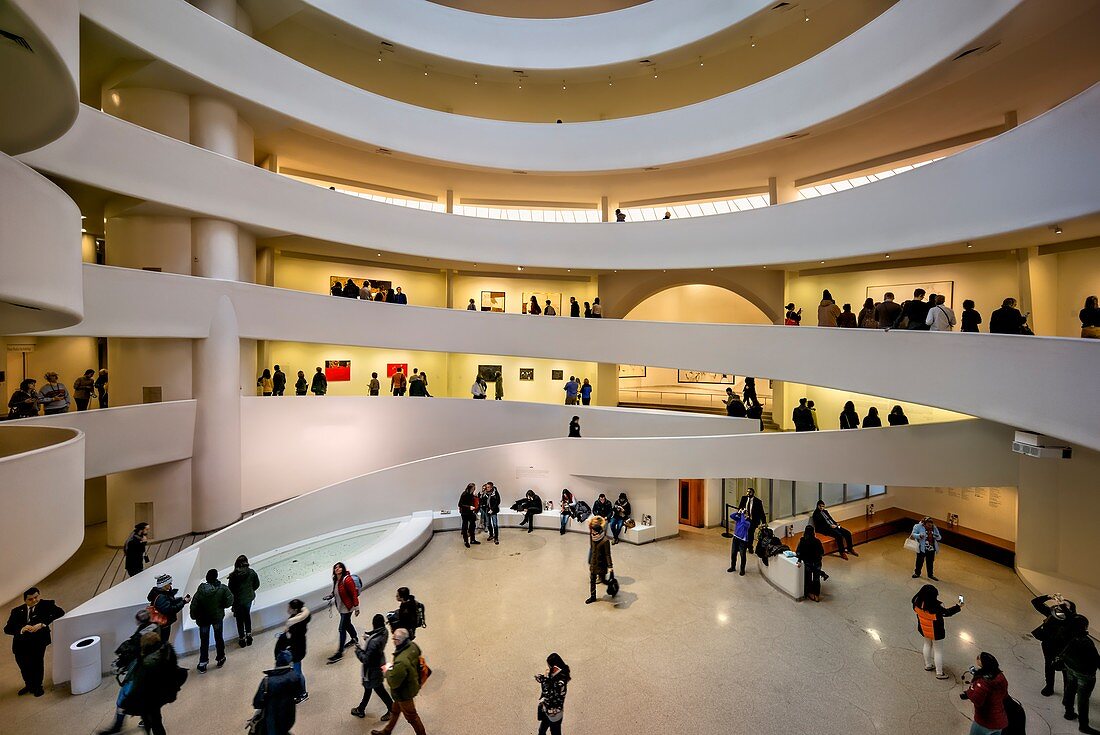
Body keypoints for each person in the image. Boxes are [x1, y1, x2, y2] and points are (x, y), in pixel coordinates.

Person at [99, 610, 160, 734]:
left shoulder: (141, 639)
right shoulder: (154, 631)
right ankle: (147, 718)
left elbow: (133, 651)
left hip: (138, 674)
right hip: (148, 675)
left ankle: (118, 725)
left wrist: (122, 663)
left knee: (124, 698)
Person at [119, 630, 182, 735]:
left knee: (154, 720)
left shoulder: (146, 663)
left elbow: (138, 684)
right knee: (157, 720)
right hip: (162, 692)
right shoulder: (167, 651)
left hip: (149, 697)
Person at [4, 587, 64, 696]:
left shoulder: (47, 605)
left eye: (36, 597)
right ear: (25, 600)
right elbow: (7, 629)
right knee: (24, 665)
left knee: (37, 664)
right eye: (30, 599)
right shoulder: (16, 611)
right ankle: (29, 685)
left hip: (38, 641)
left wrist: (42, 624)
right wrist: (21, 629)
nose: (34, 600)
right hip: (20, 644)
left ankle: (38, 686)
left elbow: (60, 612)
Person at [370, 628, 426, 735]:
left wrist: (387, 671)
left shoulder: (401, 661)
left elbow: (393, 682)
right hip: (412, 683)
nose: (393, 640)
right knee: (395, 711)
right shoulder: (412, 646)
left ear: (399, 641)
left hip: (404, 693)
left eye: (394, 639)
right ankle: (387, 731)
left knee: (412, 717)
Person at [1031, 593, 1077, 697]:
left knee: (1066, 671)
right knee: (1049, 666)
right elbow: (1035, 602)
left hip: (1064, 650)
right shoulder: (1052, 614)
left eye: (1065, 606)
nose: (1061, 606)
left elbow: (1070, 620)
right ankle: (1049, 687)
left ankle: (1068, 692)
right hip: (1048, 646)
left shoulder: (1072, 620)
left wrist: (1064, 607)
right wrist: (1049, 597)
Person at [912, 583, 962, 679]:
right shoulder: (935, 607)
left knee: (927, 645)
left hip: (924, 629)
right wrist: (958, 606)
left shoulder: (916, 603)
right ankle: (939, 673)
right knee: (938, 651)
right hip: (936, 632)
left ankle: (928, 665)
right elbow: (947, 613)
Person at [1059, 615, 1099, 733]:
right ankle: (1083, 725)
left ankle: (1069, 712)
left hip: (1070, 667)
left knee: (1070, 689)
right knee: (1083, 699)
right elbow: (1096, 660)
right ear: (1084, 627)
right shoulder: (1086, 642)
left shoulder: (1066, 635)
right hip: (1085, 674)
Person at [252, 648, 305, 735]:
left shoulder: (267, 681)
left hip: (272, 719)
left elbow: (256, 703)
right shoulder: (296, 677)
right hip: (289, 716)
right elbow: (300, 693)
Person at [189, 568, 233, 673]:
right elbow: (229, 601)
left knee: (204, 641)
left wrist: (194, 616)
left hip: (203, 620)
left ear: (207, 578)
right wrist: (221, 606)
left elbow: (194, 606)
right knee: (219, 638)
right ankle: (221, 658)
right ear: (216, 577)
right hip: (217, 618)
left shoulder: (199, 592)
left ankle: (203, 663)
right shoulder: (222, 589)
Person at [351, 615, 394, 721]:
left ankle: (392, 710)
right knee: (368, 687)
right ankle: (361, 709)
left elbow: (365, 659)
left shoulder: (373, 643)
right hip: (380, 662)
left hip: (372, 670)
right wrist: (369, 636)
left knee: (379, 689)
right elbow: (376, 635)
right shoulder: (385, 632)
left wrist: (358, 650)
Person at [961, 652, 1009, 735]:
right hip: (1000, 721)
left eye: (979, 658)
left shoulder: (983, 682)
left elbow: (977, 700)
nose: (977, 659)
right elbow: (1004, 695)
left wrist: (969, 692)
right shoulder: (1000, 676)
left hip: (985, 722)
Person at [276, 599, 310, 703]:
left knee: (298, 672)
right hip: (299, 648)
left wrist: (286, 638)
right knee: (296, 671)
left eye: (289, 608)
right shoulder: (300, 619)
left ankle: (303, 693)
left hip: (297, 650)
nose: (288, 609)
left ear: (294, 610)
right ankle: (299, 691)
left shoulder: (296, 624)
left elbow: (293, 638)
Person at [326, 562, 360, 663]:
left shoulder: (347, 579)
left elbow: (354, 593)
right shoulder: (336, 579)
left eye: (339, 567)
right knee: (347, 624)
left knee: (342, 629)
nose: (337, 569)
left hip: (347, 608)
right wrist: (331, 595)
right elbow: (336, 590)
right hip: (341, 607)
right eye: (335, 568)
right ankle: (354, 639)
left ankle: (340, 652)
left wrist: (357, 607)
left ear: (343, 569)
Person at [227, 555, 260, 648]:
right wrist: (250, 591)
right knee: (247, 616)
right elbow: (257, 584)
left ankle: (242, 638)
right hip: (248, 599)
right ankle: (249, 635)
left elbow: (230, 590)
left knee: (239, 619)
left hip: (237, 601)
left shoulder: (233, 576)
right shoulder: (251, 572)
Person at [147, 573, 190, 643]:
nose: (171, 584)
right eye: (169, 583)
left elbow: (170, 602)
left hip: (162, 624)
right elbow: (170, 610)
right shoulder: (161, 597)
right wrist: (183, 602)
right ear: (164, 585)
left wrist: (181, 600)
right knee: (163, 642)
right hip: (163, 625)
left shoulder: (162, 593)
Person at [535, 653, 571, 735]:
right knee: (541, 731)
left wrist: (544, 681)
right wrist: (543, 678)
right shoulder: (556, 675)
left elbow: (547, 693)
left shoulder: (560, 682)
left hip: (555, 714)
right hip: (547, 709)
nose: (548, 668)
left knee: (555, 733)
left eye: (550, 666)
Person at [586, 516, 615, 604]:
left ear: (598, 531)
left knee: (603, 581)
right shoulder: (592, 536)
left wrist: (610, 566)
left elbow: (607, 554)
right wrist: (591, 560)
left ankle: (612, 586)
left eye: (594, 531)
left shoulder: (605, 540)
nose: (592, 532)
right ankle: (593, 596)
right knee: (592, 580)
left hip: (602, 564)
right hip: (594, 562)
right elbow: (592, 548)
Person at [795, 524, 826, 602]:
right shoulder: (817, 541)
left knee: (808, 578)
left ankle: (809, 593)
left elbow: (798, 552)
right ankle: (817, 594)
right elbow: (822, 552)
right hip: (817, 563)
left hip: (807, 563)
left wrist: (799, 560)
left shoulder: (802, 541)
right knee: (816, 579)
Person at [736, 487, 767, 552]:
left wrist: (764, 522)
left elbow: (762, 513)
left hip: (753, 521)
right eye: (747, 491)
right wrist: (741, 511)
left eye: (750, 492)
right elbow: (740, 507)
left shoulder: (758, 502)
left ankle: (750, 547)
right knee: (743, 533)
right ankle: (742, 546)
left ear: (753, 493)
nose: (748, 493)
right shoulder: (744, 498)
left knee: (750, 534)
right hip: (744, 520)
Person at [727, 509, 752, 576]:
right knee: (733, 553)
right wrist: (738, 513)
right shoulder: (739, 518)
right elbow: (731, 516)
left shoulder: (748, 522)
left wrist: (743, 515)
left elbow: (743, 523)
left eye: (746, 514)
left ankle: (742, 569)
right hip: (735, 538)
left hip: (742, 541)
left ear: (748, 516)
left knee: (742, 555)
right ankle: (733, 567)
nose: (743, 515)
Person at [459, 483, 480, 548]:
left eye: (474, 488)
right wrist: (469, 507)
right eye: (473, 488)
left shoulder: (471, 494)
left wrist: (476, 497)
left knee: (472, 526)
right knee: (465, 527)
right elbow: (460, 504)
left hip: (471, 513)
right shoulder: (464, 494)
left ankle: (472, 540)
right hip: (465, 513)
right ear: (469, 488)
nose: (474, 490)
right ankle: (466, 541)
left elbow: (474, 502)